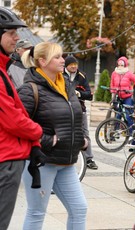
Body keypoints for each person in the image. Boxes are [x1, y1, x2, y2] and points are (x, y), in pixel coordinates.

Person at [18, 42, 88, 230]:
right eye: (57, 57)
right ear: (42, 61)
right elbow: (17, 127)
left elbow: (77, 114)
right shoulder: (29, 90)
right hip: (41, 163)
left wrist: (82, 139)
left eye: (61, 56)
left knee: (79, 209)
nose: (62, 60)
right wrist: (48, 140)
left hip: (66, 162)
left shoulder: (66, 85)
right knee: (37, 213)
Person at [0, 7, 43, 230]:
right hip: (5, 160)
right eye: (11, 32)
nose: (17, 38)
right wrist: (38, 133)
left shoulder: (3, 69)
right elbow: (14, 120)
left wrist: (33, 143)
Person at [63, 55, 98, 170]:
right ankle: (64, 156)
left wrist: (79, 94)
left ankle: (89, 159)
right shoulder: (59, 75)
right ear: (66, 66)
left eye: (75, 64)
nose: (74, 66)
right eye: (71, 64)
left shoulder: (82, 76)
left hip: (80, 108)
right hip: (63, 109)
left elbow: (89, 94)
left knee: (84, 133)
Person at [110, 56, 135, 130]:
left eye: (122, 65)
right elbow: (112, 84)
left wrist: (132, 89)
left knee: (128, 115)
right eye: (119, 65)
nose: (120, 67)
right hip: (118, 96)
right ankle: (115, 133)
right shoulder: (114, 73)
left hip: (127, 97)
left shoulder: (129, 73)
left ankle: (131, 132)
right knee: (117, 116)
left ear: (125, 65)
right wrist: (113, 93)